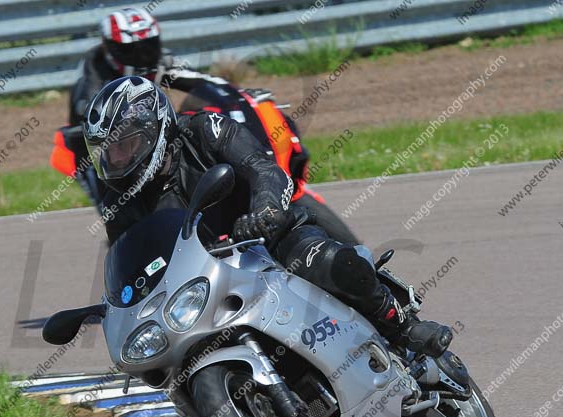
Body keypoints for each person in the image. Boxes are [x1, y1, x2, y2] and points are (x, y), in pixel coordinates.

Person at [83, 76, 453, 371]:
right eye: (107, 153)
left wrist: (265, 212)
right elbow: (129, 254)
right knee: (176, 360)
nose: (115, 161)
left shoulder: (204, 130)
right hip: (206, 278)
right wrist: (118, 304)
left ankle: (403, 327)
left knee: (326, 262)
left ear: (154, 131)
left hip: (269, 239)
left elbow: (263, 169)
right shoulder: (120, 198)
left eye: (123, 147)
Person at [64, 6, 358, 244]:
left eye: (148, 46)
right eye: (132, 50)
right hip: (101, 148)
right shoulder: (91, 87)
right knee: (115, 189)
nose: (142, 56)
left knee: (188, 116)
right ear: (109, 48)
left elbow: (200, 81)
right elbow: (98, 133)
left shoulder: (155, 62)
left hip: (141, 135)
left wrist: (237, 95)